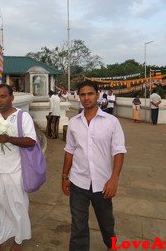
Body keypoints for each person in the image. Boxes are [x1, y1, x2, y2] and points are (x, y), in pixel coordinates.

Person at [62, 80, 127, 250]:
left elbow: (118, 151)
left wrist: (114, 179)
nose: (86, 98)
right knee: (78, 226)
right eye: (82, 94)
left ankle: (111, 245)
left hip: (103, 183)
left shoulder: (111, 122)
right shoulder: (74, 123)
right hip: (78, 182)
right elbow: (69, 150)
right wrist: (64, 176)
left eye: (90, 93)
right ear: (79, 97)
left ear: (97, 95)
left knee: (106, 224)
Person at [0, 84, 37, 251]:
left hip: (15, 171)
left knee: (17, 208)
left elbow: (31, 141)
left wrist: (9, 139)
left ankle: (18, 241)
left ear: (12, 98)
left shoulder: (22, 117)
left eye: (3, 96)